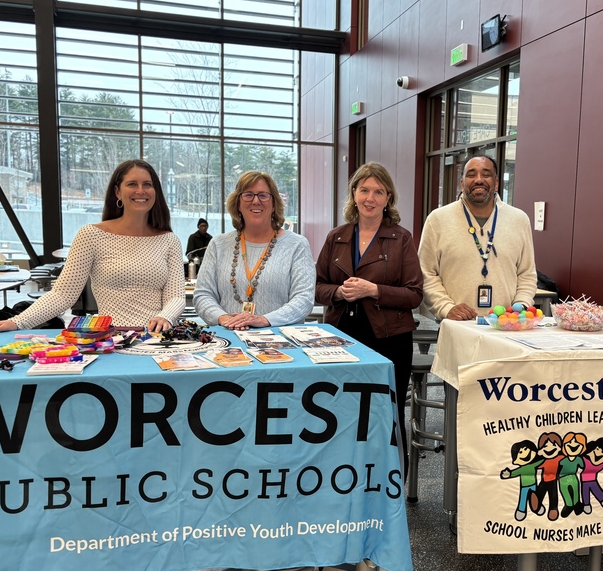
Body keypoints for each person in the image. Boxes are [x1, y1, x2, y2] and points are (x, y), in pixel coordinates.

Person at [0, 159, 185, 335]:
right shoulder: (92, 235)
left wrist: (164, 316)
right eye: (132, 184)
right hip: (111, 338)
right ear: (117, 192)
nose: (141, 191)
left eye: (147, 184)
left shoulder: (169, 240)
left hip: (159, 340)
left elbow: (176, 296)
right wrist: (18, 321)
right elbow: (63, 294)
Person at [315, 162, 424, 466]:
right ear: (353, 193)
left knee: (385, 414)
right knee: (340, 411)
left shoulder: (401, 238)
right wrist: (338, 292)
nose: (370, 198)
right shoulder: (336, 237)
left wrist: (372, 290)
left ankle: (390, 483)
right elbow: (316, 287)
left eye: (378, 191)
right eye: (364, 190)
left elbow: (415, 294)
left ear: (388, 198)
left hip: (389, 340)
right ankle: (343, 478)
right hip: (340, 340)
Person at [418, 155, 537, 320]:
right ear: (462, 183)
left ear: (496, 183)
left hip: (505, 327)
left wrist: (520, 306)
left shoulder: (518, 220)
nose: (478, 180)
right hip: (456, 326)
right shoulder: (438, 220)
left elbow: (527, 273)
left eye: (486, 174)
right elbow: (426, 273)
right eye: (471, 174)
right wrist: (446, 307)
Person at [193, 171, 314, 329]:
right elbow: (203, 294)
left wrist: (263, 320)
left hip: (280, 344)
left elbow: (304, 299)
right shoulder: (218, 245)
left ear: (274, 204)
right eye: (248, 195)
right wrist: (224, 319)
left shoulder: (297, 245)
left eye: (263, 195)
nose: (256, 201)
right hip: (228, 342)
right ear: (238, 204)